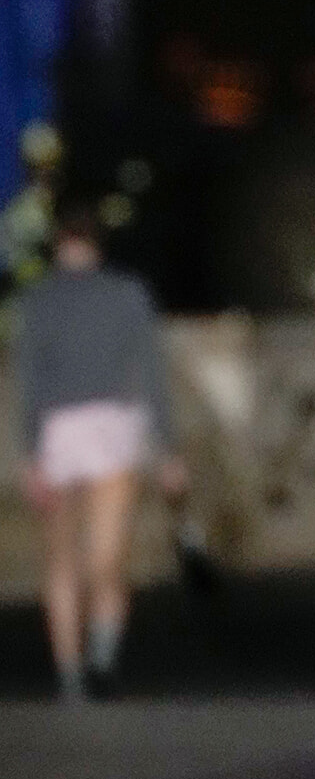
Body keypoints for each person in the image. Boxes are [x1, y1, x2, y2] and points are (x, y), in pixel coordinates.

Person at [12, 197, 188, 696]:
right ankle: (102, 655)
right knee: (106, 560)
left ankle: (72, 670)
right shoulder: (129, 294)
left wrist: (30, 453)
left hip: (59, 433)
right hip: (112, 426)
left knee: (61, 561)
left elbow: (29, 382)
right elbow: (152, 375)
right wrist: (168, 448)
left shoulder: (38, 299)